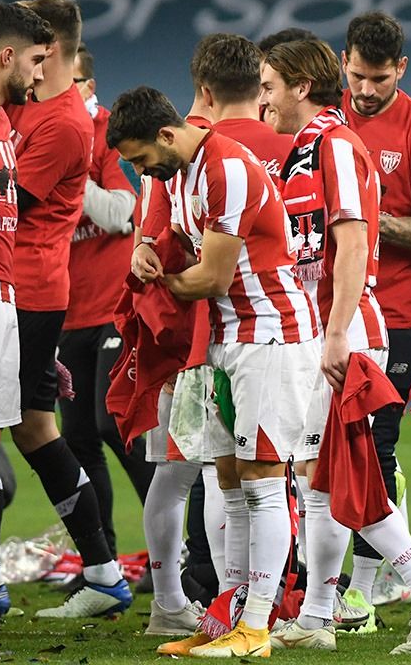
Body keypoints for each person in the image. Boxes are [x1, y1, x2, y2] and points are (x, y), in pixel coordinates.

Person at [259, 38, 411, 654]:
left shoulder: (336, 145)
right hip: (325, 332)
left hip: (347, 334)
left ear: (300, 87)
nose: (262, 97)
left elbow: (353, 244)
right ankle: (320, 616)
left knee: (342, 475)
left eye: (269, 85)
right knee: (320, 480)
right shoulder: (310, 147)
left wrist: (338, 331)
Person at [109, 86, 321, 658]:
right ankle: (229, 616)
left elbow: (214, 279)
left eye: (140, 158)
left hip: (272, 334)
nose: (138, 170)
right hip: (230, 338)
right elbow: (164, 239)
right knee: (225, 475)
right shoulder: (179, 173)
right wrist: (142, 250)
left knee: (262, 475)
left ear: (167, 135)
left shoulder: (225, 168)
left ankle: (256, 627)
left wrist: (162, 283)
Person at [0, 0, 131, 620]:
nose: (33, 72)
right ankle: (103, 570)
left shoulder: (62, 124)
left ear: (54, 52)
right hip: (17, 292)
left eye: (41, 58)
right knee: (37, 430)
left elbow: (3, 208)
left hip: (24, 293)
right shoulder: (27, 109)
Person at [338, 12, 411, 613]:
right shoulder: (327, 122)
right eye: (357, 75)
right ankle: (351, 581)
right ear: (342, 63)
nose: (366, 89)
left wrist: (360, 219)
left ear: (400, 69)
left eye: (379, 78)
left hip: (396, 311)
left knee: (375, 445)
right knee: (330, 449)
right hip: (329, 309)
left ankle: (360, 588)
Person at [0, 2, 53, 656]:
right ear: (6, 55)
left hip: (3, 304)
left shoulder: (1, 121)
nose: (40, 74)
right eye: (35, 61)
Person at [56, 43, 153, 571]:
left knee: (113, 425)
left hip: (116, 306)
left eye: (69, 85)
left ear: (89, 88)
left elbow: (121, 212)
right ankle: (102, 565)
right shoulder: (38, 133)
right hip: (66, 309)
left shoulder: (109, 133)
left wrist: (71, 175)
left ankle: (175, 551)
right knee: (76, 439)